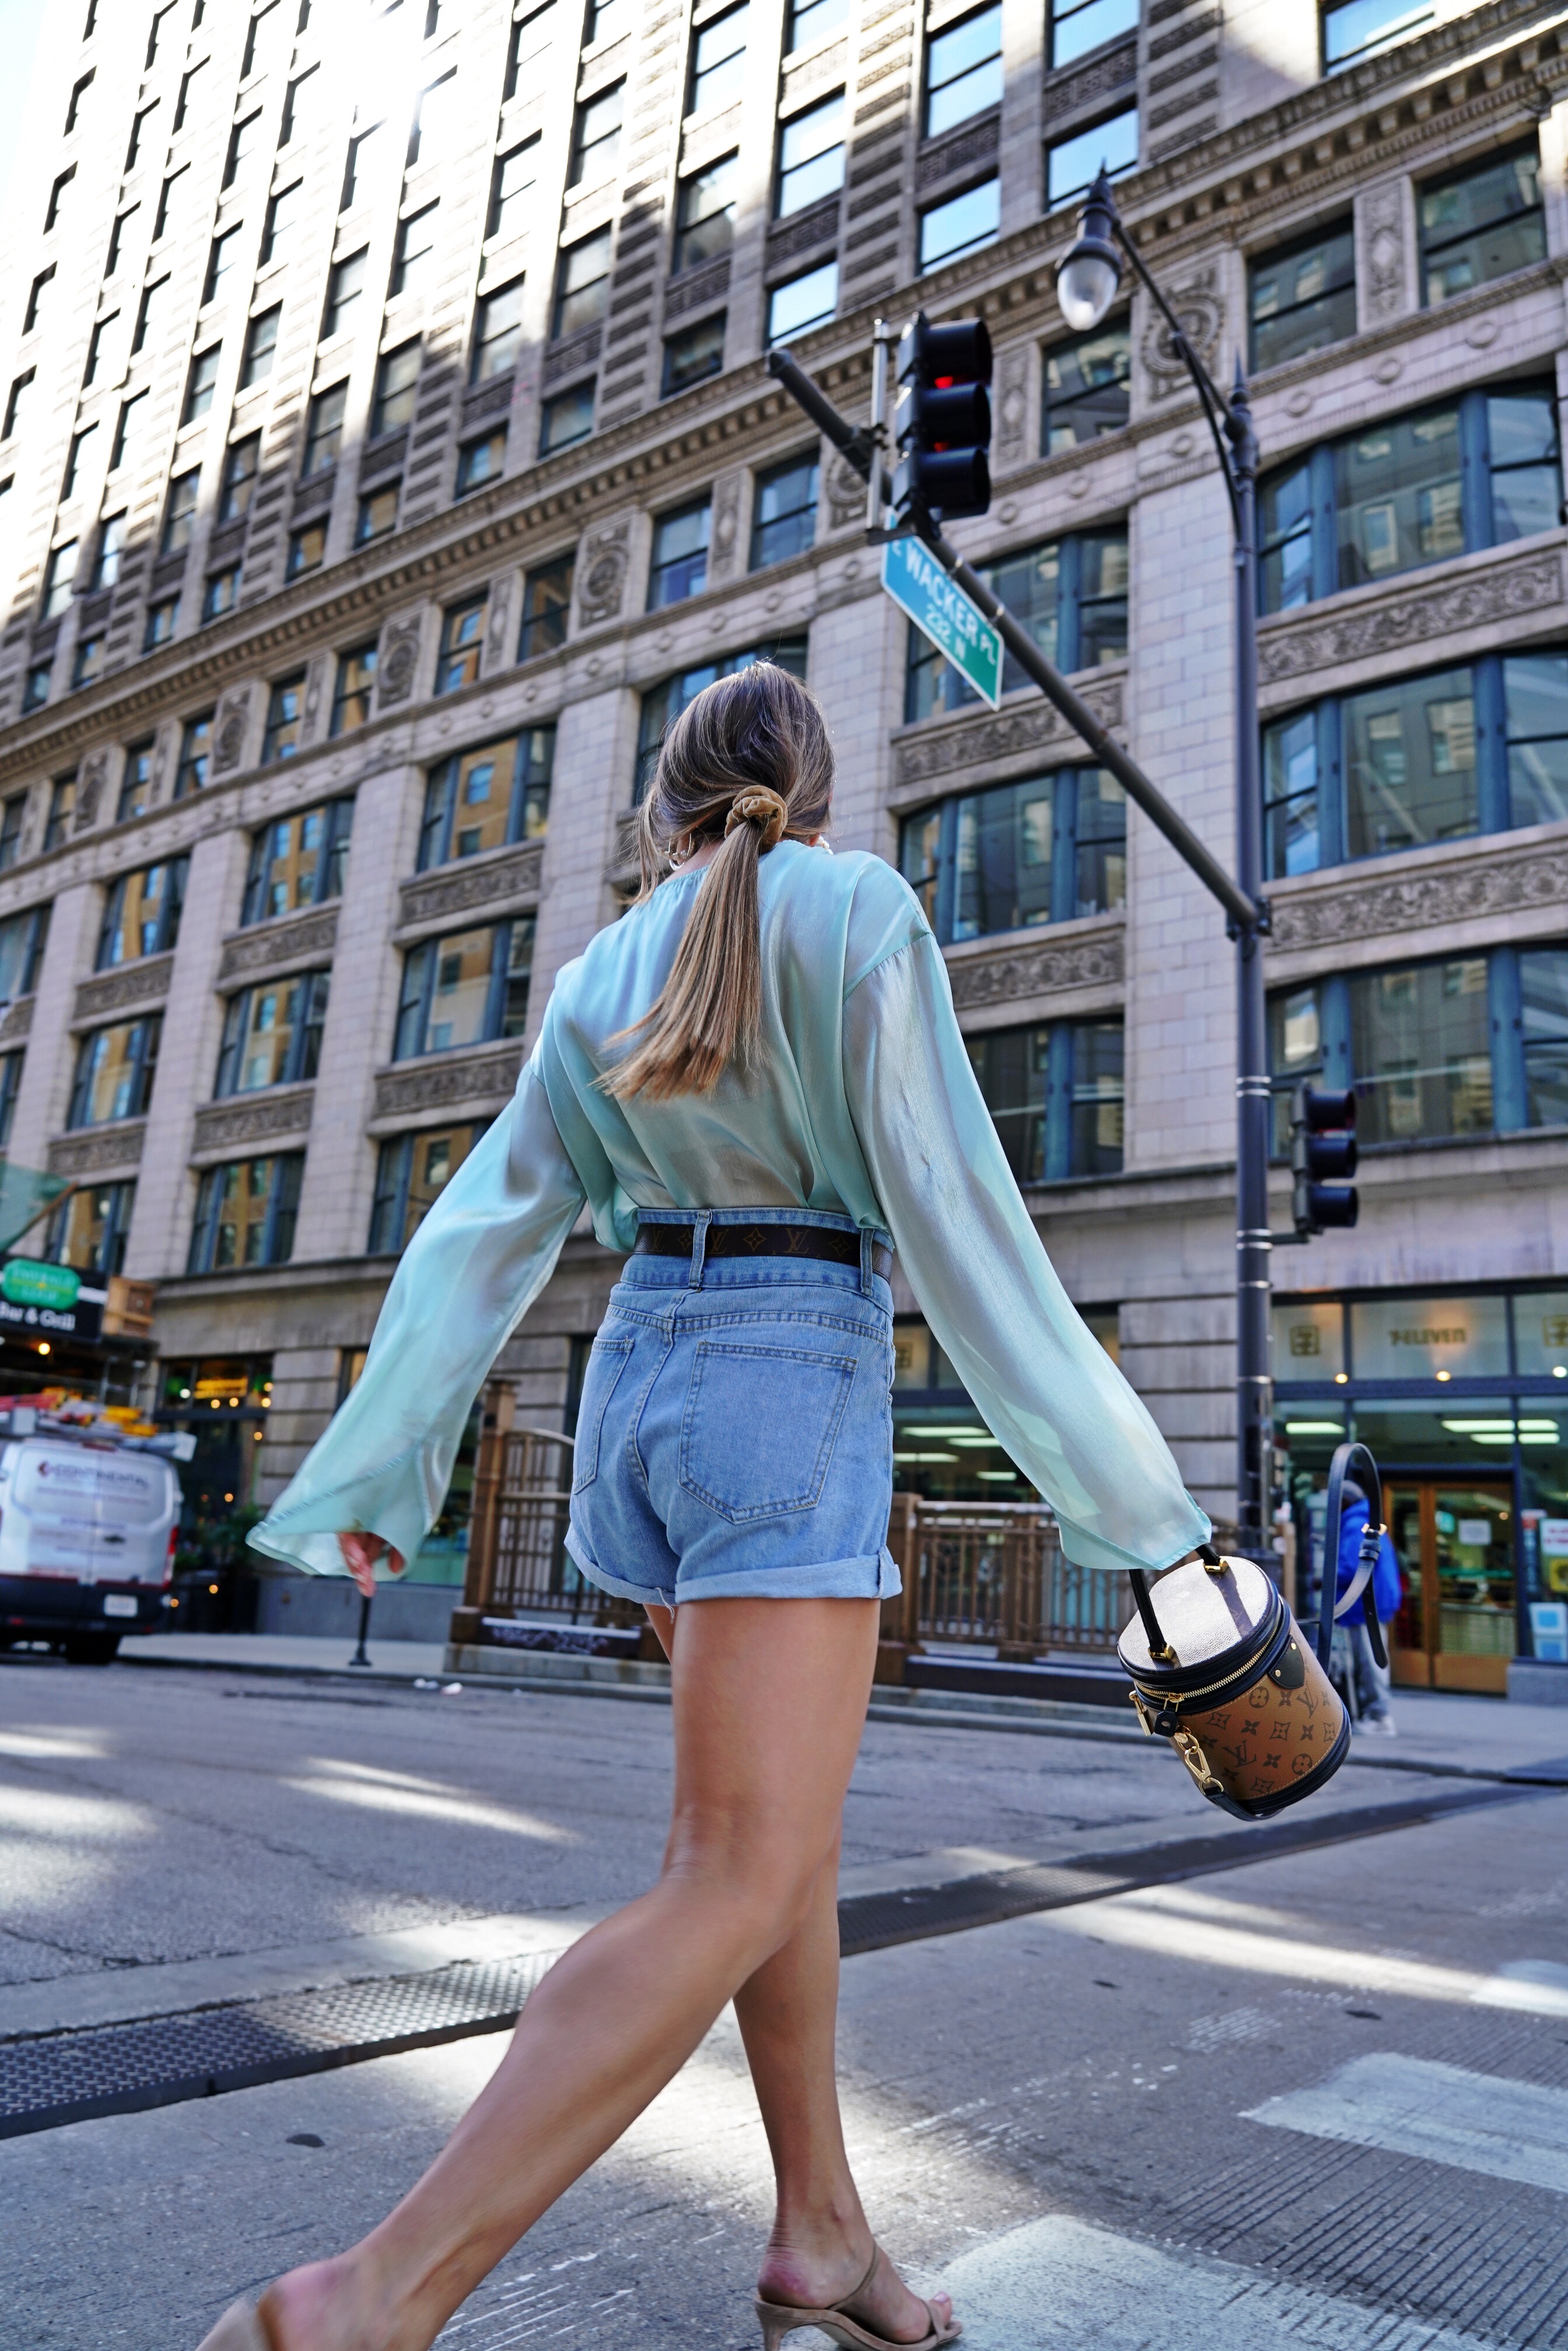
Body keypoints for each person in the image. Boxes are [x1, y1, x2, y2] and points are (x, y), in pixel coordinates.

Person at [204, 664, 1211, 2351]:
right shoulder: (857, 910)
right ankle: (372, 2296)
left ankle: (825, 2234)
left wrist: (390, 1455)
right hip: (787, 1376)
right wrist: (1138, 1507)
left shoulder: (602, 963)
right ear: (811, 791)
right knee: (735, 1864)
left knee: (775, 1845)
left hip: (640, 1384)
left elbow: (486, 1222)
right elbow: (957, 1216)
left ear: (659, 806)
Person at [1334, 1476, 1402, 1735]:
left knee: (1370, 1661)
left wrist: (1325, 1579)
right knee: (1371, 1659)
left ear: (1344, 1501)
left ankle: (1380, 1717)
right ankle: (1375, 1714)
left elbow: (1352, 1566)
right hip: (1371, 1602)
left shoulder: (1354, 1523)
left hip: (1364, 1604)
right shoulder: (1368, 1521)